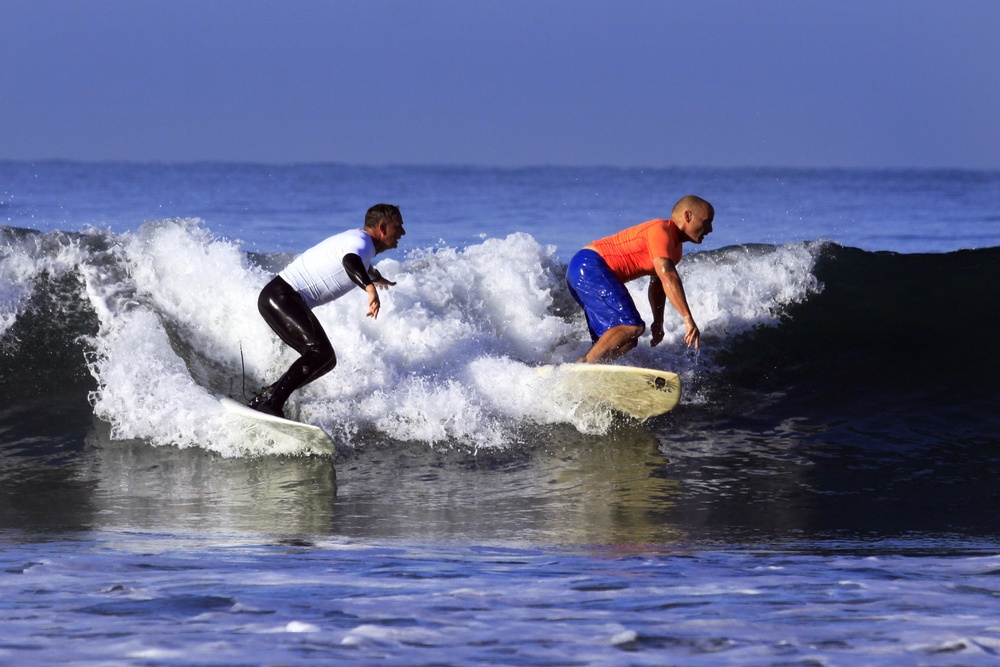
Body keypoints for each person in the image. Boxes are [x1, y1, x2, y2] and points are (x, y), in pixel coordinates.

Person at [247, 203, 406, 418]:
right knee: (318, 352)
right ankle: (272, 404)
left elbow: (361, 264)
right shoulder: (362, 242)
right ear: (382, 228)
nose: (402, 232)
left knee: (326, 359)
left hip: (281, 298)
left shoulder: (358, 241)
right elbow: (350, 261)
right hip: (282, 297)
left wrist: (376, 278)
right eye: (398, 227)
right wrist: (369, 288)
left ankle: (267, 398)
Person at [565, 195, 714, 364]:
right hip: (590, 265)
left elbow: (658, 284)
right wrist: (687, 318)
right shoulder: (661, 230)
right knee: (631, 326)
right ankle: (584, 367)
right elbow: (669, 277)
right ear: (688, 216)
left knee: (626, 340)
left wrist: (658, 321)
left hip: (582, 270)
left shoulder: (675, 250)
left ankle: (589, 373)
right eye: (707, 222)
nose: (710, 229)